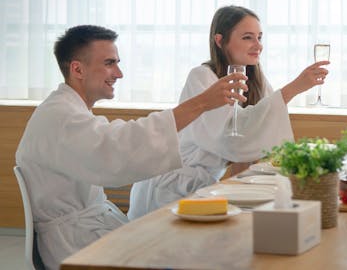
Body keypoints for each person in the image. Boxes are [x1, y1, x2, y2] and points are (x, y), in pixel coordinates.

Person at [15, 25, 246, 270]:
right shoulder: (60, 117)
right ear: (77, 69)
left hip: (90, 229)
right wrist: (200, 103)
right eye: (109, 63)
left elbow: (116, 139)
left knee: (186, 249)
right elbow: (117, 150)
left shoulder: (69, 111)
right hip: (74, 243)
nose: (119, 73)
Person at [128, 5, 329, 219]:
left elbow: (249, 144)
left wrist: (242, 191)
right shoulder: (202, 77)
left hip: (206, 188)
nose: (258, 45)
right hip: (170, 188)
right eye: (247, 38)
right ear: (220, 40)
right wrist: (294, 88)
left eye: (260, 37)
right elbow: (231, 138)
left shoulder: (256, 81)